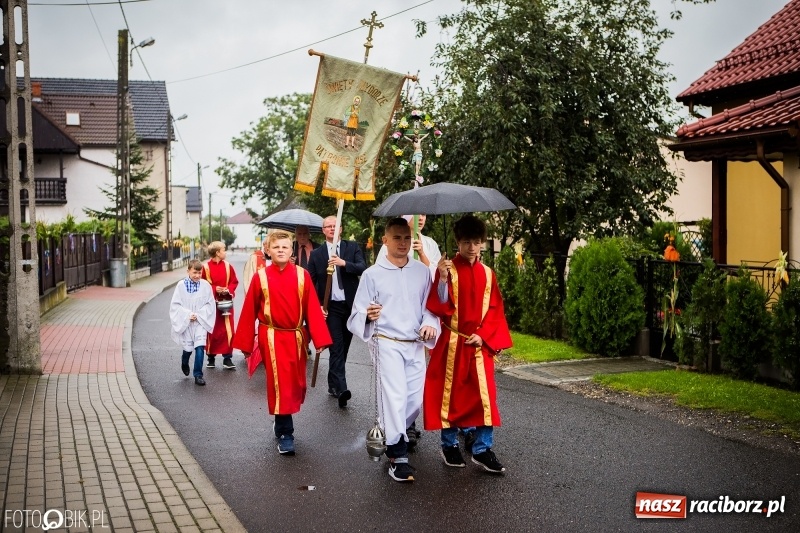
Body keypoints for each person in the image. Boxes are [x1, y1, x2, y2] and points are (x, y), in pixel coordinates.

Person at [347, 218, 440, 482]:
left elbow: (431, 307)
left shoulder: (422, 272)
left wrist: (431, 323)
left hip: (415, 343)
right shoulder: (372, 274)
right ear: (384, 240)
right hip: (386, 341)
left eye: (407, 238)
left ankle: (389, 430)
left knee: (415, 398)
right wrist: (368, 315)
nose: (403, 243)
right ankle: (398, 456)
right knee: (394, 396)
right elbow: (356, 314)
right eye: (397, 238)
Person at [423, 215, 513, 474]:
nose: (471, 247)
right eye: (466, 242)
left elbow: (495, 309)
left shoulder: (488, 273)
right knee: (449, 397)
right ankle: (449, 444)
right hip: (452, 342)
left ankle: (482, 449)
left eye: (476, 242)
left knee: (485, 400)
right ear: (457, 242)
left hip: (479, 345)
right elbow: (438, 305)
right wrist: (440, 279)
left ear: (482, 243)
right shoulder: (448, 269)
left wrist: (484, 335)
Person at [233, 231, 332, 456]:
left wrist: (320, 337)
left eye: (285, 247)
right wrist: (246, 345)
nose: (280, 250)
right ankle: (286, 433)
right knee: (280, 382)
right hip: (272, 336)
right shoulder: (261, 277)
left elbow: (311, 307)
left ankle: (281, 422)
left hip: (296, 336)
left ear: (291, 250)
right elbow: (249, 311)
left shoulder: (302, 275)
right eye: (276, 247)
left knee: (296, 383)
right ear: (268, 250)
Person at [308, 215, 367, 407]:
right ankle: (342, 389)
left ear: (341, 229)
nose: (332, 229)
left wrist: (343, 263)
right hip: (330, 307)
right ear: (323, 230)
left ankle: (333, 383)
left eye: (335, 226)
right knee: (336, 347)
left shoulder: (352, 247)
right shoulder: (317, 254)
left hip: (350, 306)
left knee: (344, 349)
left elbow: (362, 268)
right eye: (328, 226)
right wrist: (317, 306)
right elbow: (310, 282)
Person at [169, 259, 216, 386]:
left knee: (200, 347)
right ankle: (184, 361)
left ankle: (198, 375)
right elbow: (175, 305)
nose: (197, 275)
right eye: (194, 272)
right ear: (188, 271)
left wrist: (199, 314)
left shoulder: (205, 286)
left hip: (200, 320)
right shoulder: (181, 286)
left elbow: (210, 303)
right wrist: (188, 314)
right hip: (187, 321)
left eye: (199, 273)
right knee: (188, 349)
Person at [202, 241, 239, 370]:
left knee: (228, 330)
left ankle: (227, 358)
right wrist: (214, 289)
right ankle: (210, 357)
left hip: (226, 303)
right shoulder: (205, 268)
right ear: (217, 252)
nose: (226, 252)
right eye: (224, 250)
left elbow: (234, 281)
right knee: (212, 330)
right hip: (211, 305)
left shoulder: (228, 267)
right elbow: (202, 284)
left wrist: (228, 289)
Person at [379, 214, 441, 278]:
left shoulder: (430, 243)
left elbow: (437, 275)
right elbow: (380, 272)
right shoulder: (390, 244)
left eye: (423, 214)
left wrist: (422, 254)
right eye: (416, 214)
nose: (420, 218)